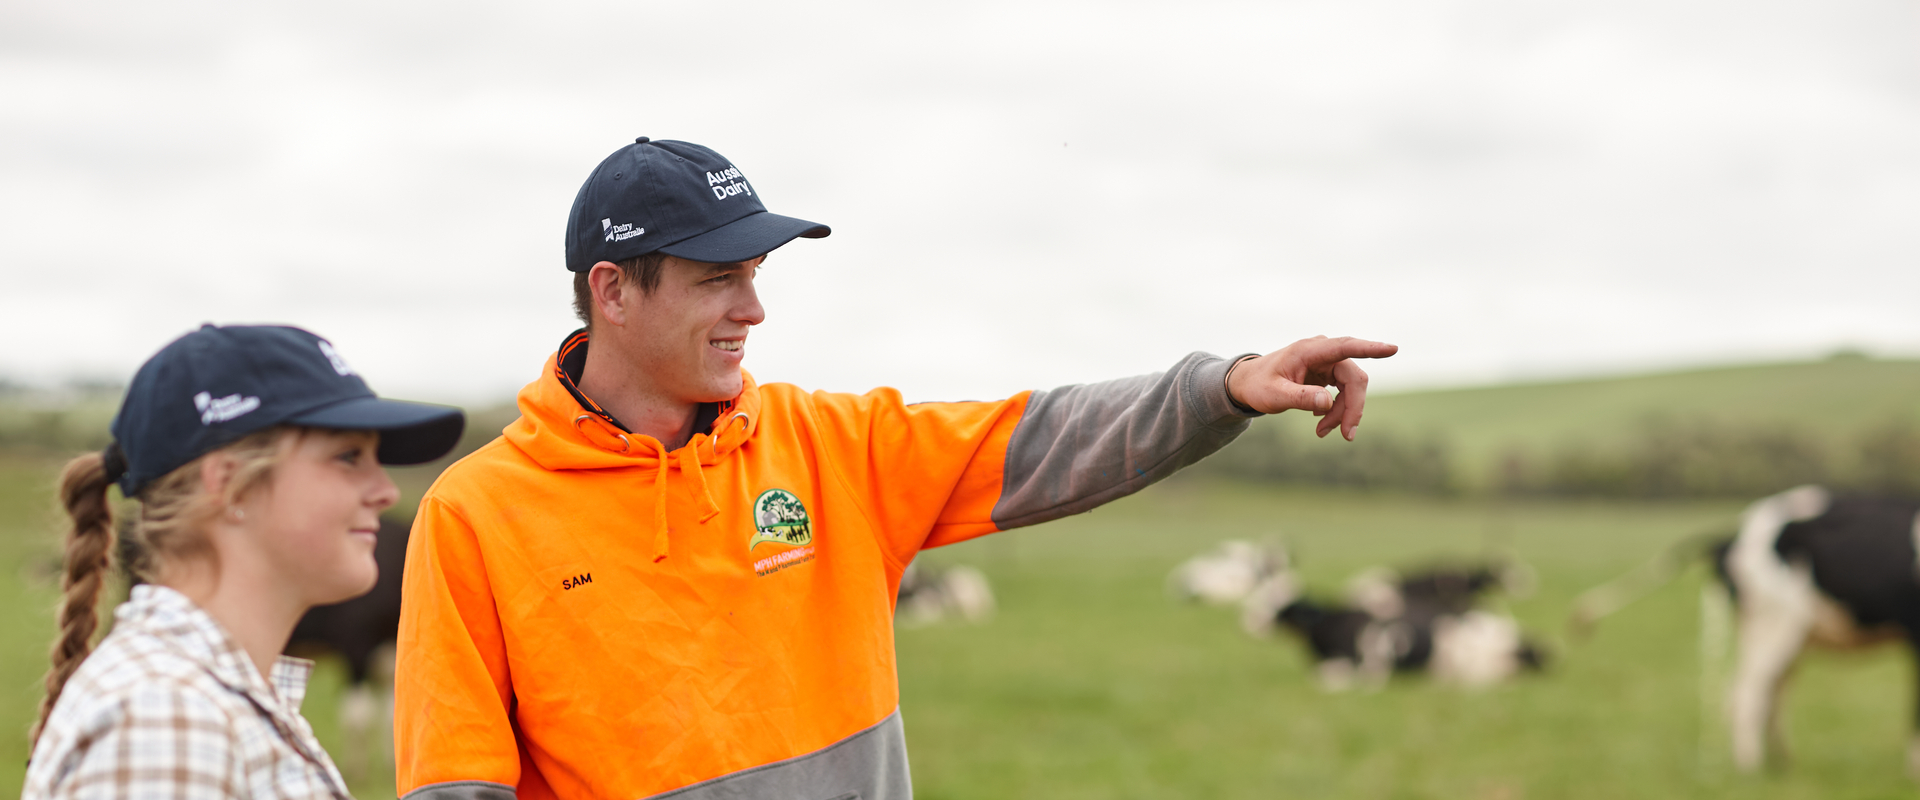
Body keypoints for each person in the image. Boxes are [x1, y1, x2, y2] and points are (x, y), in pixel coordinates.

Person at [394, 137, 1397, 800]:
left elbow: (1045, 437)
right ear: (612, 290)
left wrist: (1222, 385)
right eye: (716, 279)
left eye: (755, 275)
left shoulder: (832, 445)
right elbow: (455, 782)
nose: (752, 308)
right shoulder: (477, 514)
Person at [22, 325, 466, 800]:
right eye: (348, 456)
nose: (386, 492)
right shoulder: (165, 719)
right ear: (232, 485)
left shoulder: (209, 699)